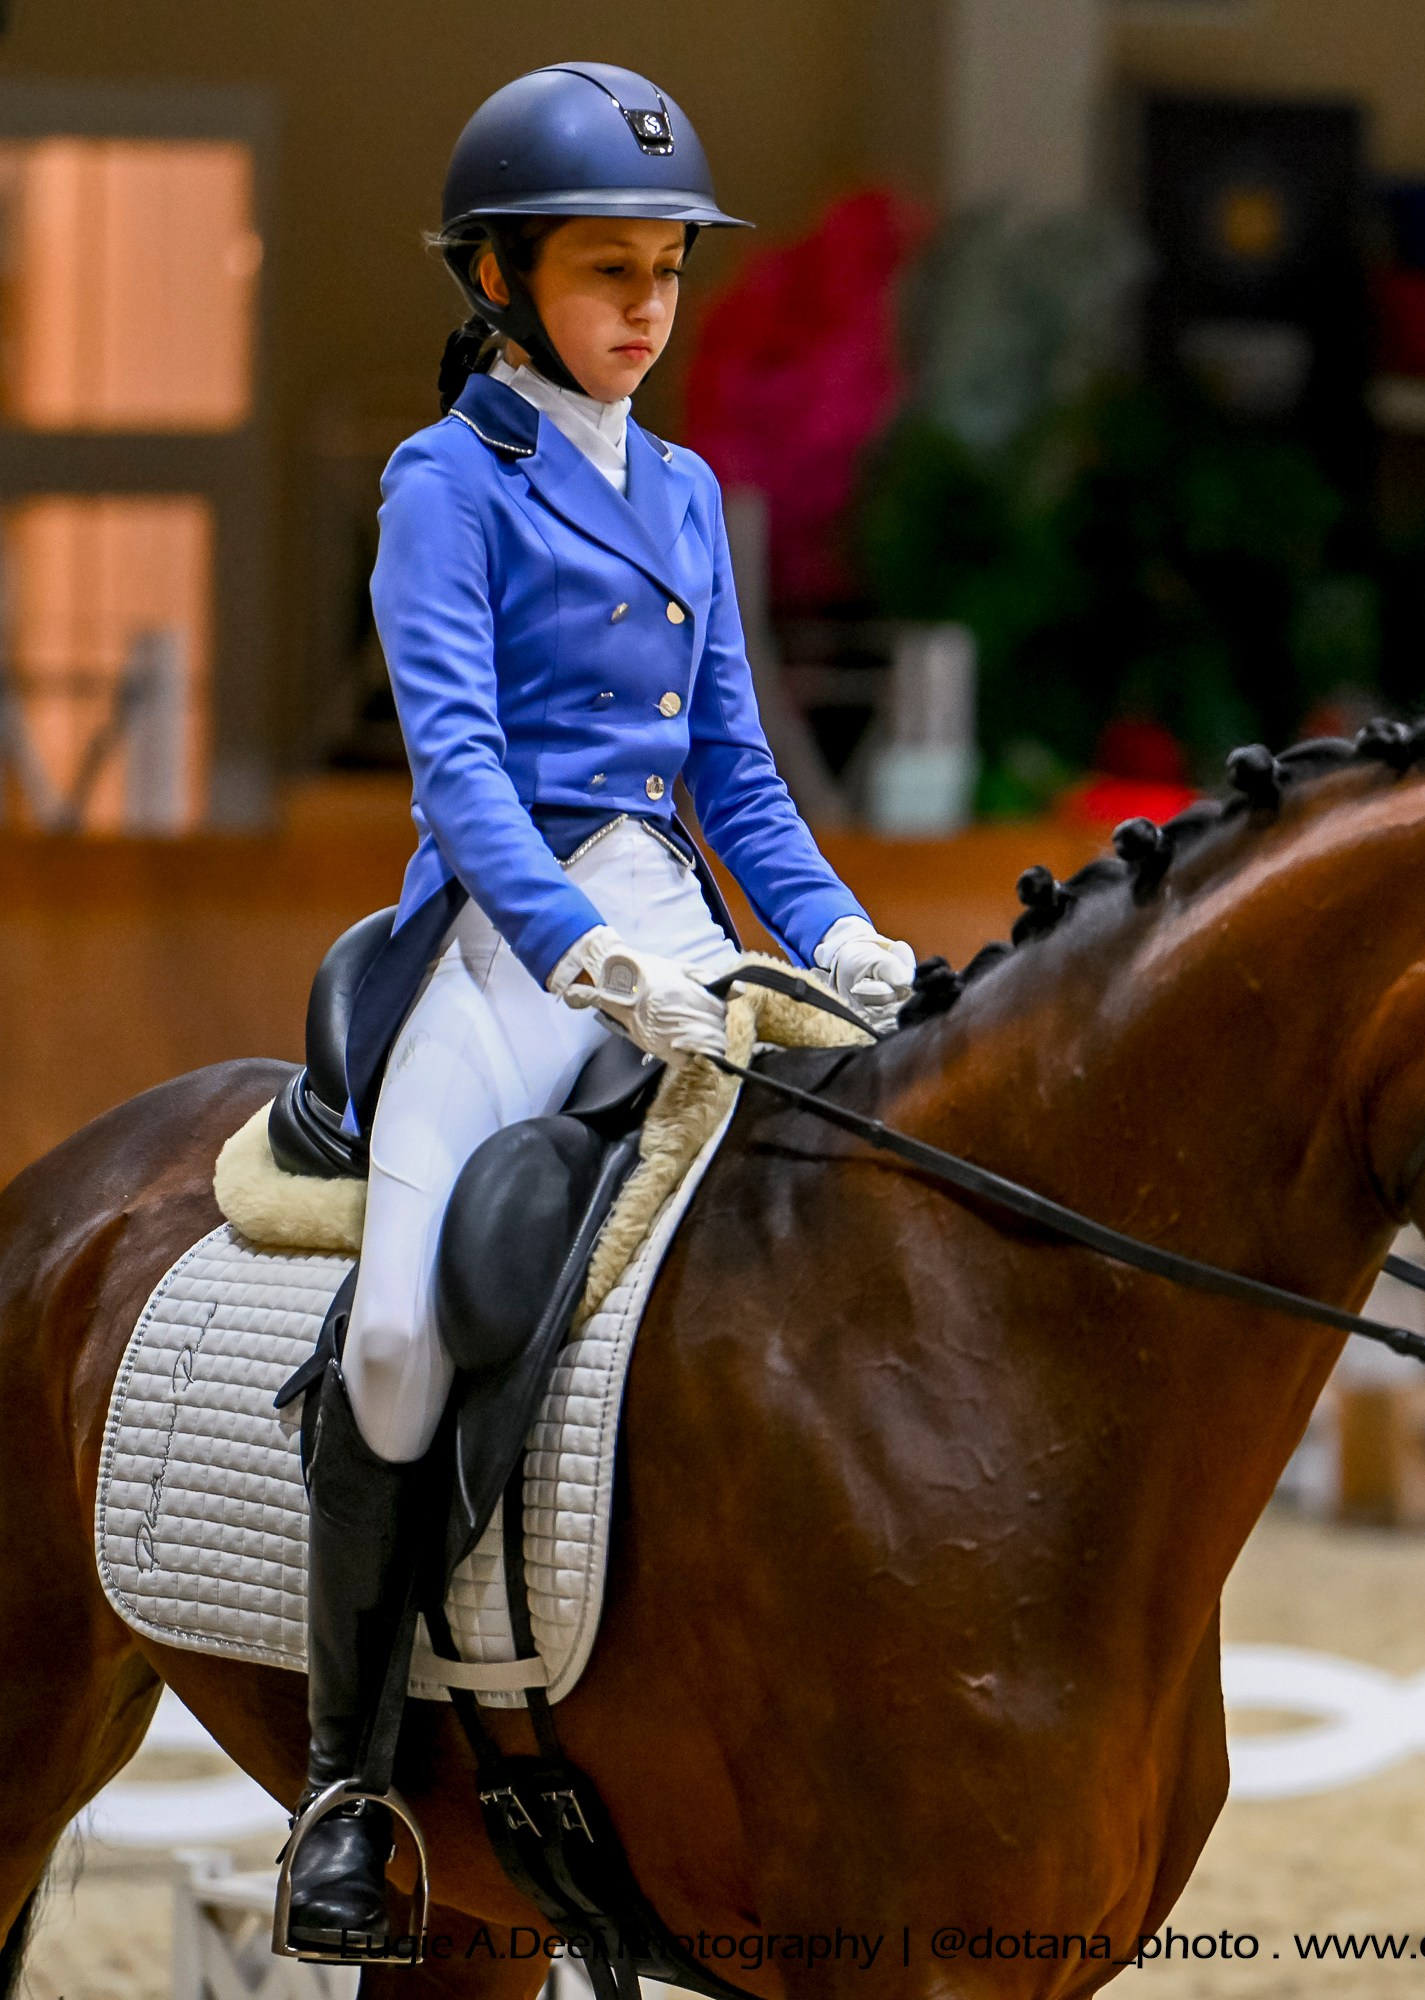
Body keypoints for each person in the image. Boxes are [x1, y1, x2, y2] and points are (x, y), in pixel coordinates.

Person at [281, 63, 916, 1955]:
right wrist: (573, 943)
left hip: (680, 928)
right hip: (504, 937)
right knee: (395, 1342)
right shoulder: (444, 481)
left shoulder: (694, 491)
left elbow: (733, 769)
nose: (647, 309)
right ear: (500, 277)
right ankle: (349, 1783)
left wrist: (837, 925)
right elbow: (459, 762)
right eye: (605, 273)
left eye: (665, 272)